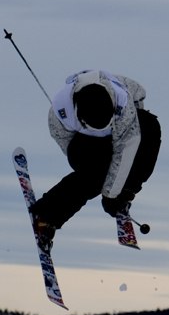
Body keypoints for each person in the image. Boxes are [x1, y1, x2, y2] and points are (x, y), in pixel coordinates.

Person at [31, 69, 161, 250]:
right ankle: (48, 214)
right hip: (85, 141)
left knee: (150, 128)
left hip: (128, 129)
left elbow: (126, 152)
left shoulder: (124, 108)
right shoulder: (60, 111)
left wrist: (113, 194)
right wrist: (94, 175)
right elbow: (69, 148)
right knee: (94, 174)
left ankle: (125, 191)